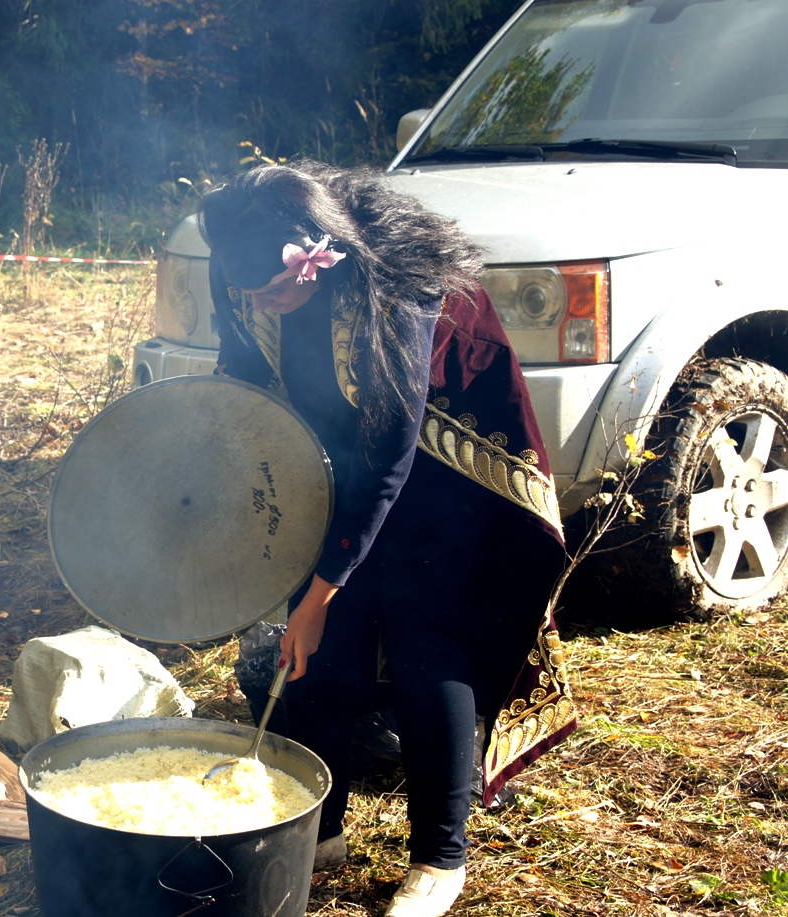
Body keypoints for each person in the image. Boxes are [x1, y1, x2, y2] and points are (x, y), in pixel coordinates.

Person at [200, 162, 577, 917]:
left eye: (272, 291)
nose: (258, 303)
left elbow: (389, 456)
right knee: (320, 646)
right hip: (338, 445)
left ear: (312, 254)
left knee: (422, 635)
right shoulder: (241, 257)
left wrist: (320, 593)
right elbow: (241, 375)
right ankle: (320, 826)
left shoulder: (399, 287)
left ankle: (439, 858)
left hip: (447, 452)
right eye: (248, 293)